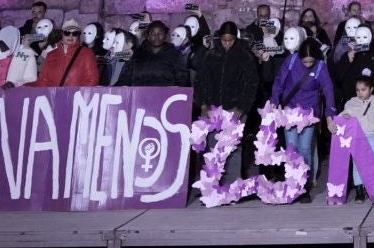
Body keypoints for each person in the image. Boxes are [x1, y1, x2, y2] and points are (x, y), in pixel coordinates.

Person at [272, 38, 336, 201]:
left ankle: (304, 186)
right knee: (292, 148)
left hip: (309, 112)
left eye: (310, 61)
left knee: (306, 148)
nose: (308, 64)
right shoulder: (291, 61)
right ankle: (292, 184)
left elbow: (329, 91)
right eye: (305, 61)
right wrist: (274, 101)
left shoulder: (321, 66)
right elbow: (279, 82)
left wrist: (330, 116)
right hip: (290, 110)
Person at [195, 22, 260, 183]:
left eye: (230, 40)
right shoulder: (210, 55)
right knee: (213, 146)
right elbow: (201, 81)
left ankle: (232, 186)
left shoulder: (245, 56)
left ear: (235, 39)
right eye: (224, 40)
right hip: (213, 108)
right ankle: (212, 184)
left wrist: (242, 108)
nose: (227, 44)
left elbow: (251, 84)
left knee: (233, 147)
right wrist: (203, 105)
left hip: (235, 108)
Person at [339, 76, 374, 202]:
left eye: (363, 89)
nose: (360, 93)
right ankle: (359, 189)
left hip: (373, 136)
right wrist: (345, 116)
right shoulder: (351, 102)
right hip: (357, 137)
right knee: (357, 164)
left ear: (371, 89)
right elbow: (343, 113)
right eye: (357, 90)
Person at [121, 21, 191, 87]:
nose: (156, 36)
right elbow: (126, 77)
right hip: (140, 96)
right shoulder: (137, 54)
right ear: (148, 36)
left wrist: (177, 88)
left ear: (165, 35)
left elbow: (183, 78)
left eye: (160, 33)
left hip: (166, 97)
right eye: (153, 33)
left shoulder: (175, 54)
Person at [35, 20, 99, 87]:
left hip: (77, 96)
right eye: (67, 32)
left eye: (75, 33)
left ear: (78, 35)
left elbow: (92, 79)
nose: (70, 36)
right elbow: (43, 80)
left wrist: (78, 96)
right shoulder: (51, 55)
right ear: (62, 34)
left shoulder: (87, 53)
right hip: (53, 96)